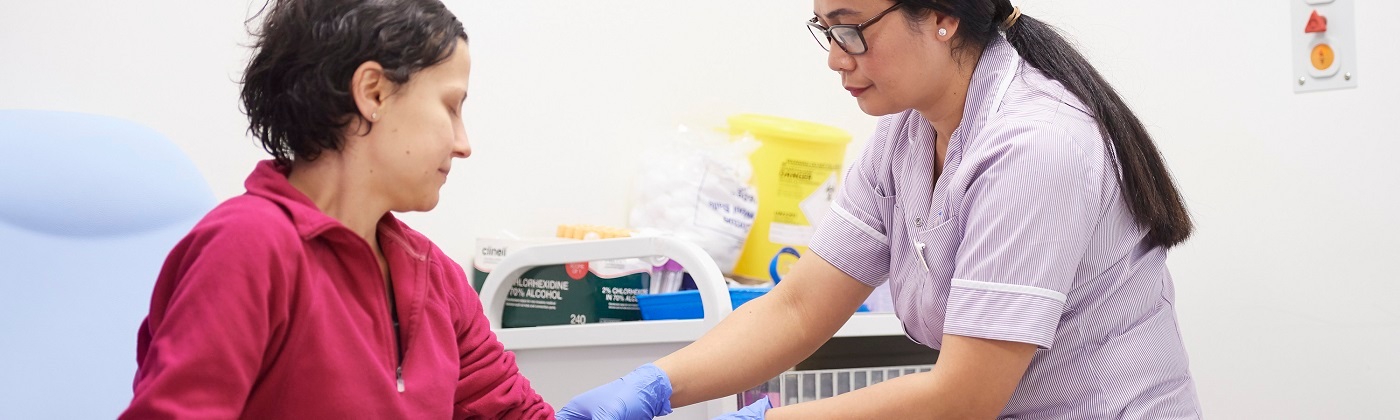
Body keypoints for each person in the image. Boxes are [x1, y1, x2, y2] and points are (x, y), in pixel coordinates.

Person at [558, 0, 1200, 418]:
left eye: (851, 28)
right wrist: (656, 385)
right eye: (825, 31)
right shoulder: (909, 132)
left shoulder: (1036, 144)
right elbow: (799, 305)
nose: (837, 56)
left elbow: (963, 397)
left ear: (943, 15)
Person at [120, 0, 554, 418]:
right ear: (374, 93)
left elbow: (511, 413)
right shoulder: (248, 247)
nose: (463, 144)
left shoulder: (434, 278)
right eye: (450, 107)